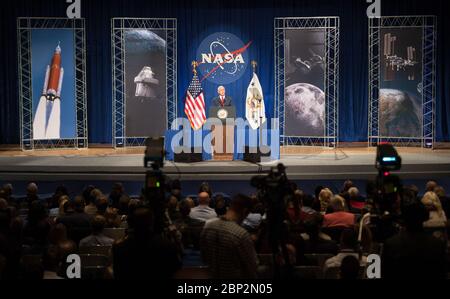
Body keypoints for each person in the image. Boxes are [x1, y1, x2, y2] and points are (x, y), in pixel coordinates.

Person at [382, 200, 447, 279]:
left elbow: (385, 274)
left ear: (404, 219)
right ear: (425, 217)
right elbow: (442, 274)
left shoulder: (391, 244)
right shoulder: (438, 244)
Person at [113, 206, 181, 279]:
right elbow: (175, 270)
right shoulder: (167, 245)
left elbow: (117, 273)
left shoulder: (119, 247)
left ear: (131, 224)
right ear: (152, 222)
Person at [200, 194, 258, 279]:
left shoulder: (208, 227)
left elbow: (204, 257)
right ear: (245, 211)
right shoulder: (241, 234)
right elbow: (252, 266)